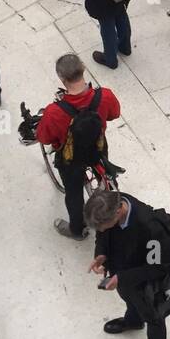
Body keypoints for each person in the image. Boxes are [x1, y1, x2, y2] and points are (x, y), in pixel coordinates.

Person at [86, 189, 170, 339]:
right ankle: (133, 322)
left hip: (145, 282)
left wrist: (122, 277)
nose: (101, 231)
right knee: (129, 299)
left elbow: (159, 267)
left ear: (118, 212)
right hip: (123, 274)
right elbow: (103, 235)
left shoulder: (151, 228)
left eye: (103, 226)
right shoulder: (112, 202)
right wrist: (100, 254)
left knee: (154, 318)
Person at [36, 54, 121, 240]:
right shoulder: (105, 95)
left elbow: (43, 137)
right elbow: (115, 114)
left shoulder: (54, 112)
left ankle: (76, 230)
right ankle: (110, 205)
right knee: (105, 178)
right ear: (83, 68)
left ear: (61, 78)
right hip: (98, 150)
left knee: (73, 194)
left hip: (71, 160)